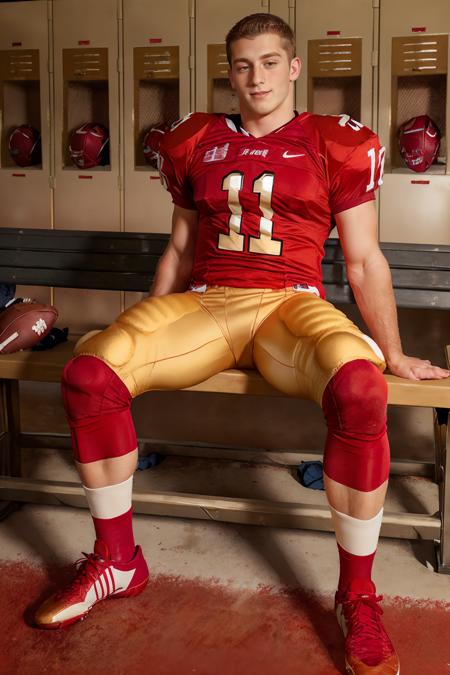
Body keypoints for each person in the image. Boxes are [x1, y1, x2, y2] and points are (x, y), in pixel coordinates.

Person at [35, 12, 449, 674]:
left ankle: (358, 593)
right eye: (242, 65)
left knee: (362, 389)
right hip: (208, 302)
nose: (255, 77)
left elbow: (366, 261)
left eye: (268, 62)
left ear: (293, 68)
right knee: (90, 374)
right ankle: (118, 560)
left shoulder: (332, 141)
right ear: (230, 73)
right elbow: (178, 247)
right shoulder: (195, 139)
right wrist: (142, 324)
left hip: (293, 306)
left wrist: (393, 352)